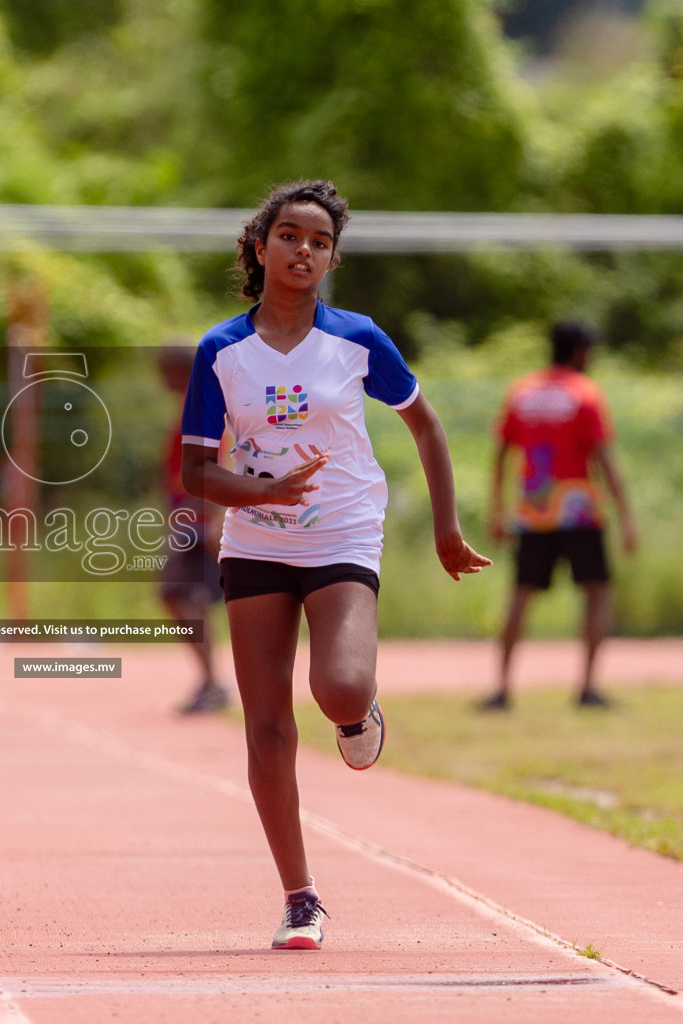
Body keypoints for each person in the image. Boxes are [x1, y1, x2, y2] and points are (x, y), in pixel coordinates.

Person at [180, 180, 490, 950]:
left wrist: (448, 529)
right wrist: (261, 490)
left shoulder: (358, 339)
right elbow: (196, 474)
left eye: (319, 242)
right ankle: (300, 896)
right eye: (290, 236)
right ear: (260, 246)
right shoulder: (222, 351)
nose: (304, 251)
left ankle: (360, 713)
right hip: (257, 540)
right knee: (267, 728)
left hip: (343, 531)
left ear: (331, 258)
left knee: (339, 686)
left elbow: (426, 427)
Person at [482, 321, 637, 711]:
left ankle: (502, 689)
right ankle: (587, 687)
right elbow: (604, 460)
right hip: (579, 511)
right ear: (581, 351)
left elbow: (501, 454)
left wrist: (497, 511)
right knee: (597, 593)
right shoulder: (585, 395)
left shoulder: (522, 392)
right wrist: (626, 516)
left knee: (521, 594)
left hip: (534, 510)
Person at [157, 346, 229, 714]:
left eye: (165, 370)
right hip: (191, 517)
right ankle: (211, 682)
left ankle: (213, 682)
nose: (160, 379)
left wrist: (212, 518)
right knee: (186, 598)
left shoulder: (198, 405)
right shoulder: (190, 404)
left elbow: (218, 459)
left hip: (198, 521)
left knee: (178, 595)